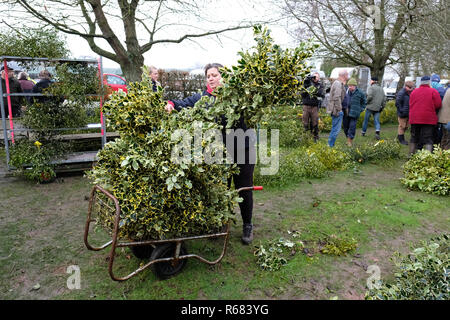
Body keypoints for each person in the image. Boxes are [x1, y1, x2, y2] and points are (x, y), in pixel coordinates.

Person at [165, 63, 256, 245]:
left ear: (224, 77)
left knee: (243, 188)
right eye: (208, 76)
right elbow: (183, 103)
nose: (211, 78)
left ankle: (247, 225)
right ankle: (220, 223)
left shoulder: (238, 96)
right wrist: (170, 104)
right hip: (219, 153)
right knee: (220, 189)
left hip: (242, 149)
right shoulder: (203, 99)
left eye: (215, 75)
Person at [408, 76, 442, 155]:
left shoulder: (414, 92)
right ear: (429, 82)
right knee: (428, 138)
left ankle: (411, 154)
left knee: (414, 136)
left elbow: (410, 103)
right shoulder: (433, 91)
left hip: (415, 118)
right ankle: (427, 157)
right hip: (428, 118)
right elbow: (438, 104)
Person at [327, 69, 348, 147]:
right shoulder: (338, 84)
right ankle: (330, 145)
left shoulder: (339, 83)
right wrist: (340, 109)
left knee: (335, 128)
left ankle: (330, 145)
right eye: (347, 74)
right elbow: (336, 97)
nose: (348, 76)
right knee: (335, 129)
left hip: (337, 110)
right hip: (337, 110)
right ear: (344, 75)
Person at [301, 72, 324, 142]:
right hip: (306, 106)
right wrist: (306, 86)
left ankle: (315, 137)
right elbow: (302, 94)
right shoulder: (307, 83)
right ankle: (305, 137)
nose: (315, 78)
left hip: (314, 107)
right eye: (314, 76)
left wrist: (312, 87)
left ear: (319, 78)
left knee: (314, 122)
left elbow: (320, 93)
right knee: (305, 122)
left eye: (316, 77)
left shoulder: (320, 85)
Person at [343, 78, 366, 147]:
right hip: (346, 113)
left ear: (355, 86)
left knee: (352, 127)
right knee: (345, 127)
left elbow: (364, 102)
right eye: (349, 85)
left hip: (355, 113)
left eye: (351, 86)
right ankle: (348, 139)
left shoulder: (360, 92)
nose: (349, 87)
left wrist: (360, 109)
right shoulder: (346, 92)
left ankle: (350, 141)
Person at [395, 81, 415, 145]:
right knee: (402, 126)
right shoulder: (401, 93)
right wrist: (401, 110)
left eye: (412, 87)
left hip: (408, 113)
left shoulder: (410, 92)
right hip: (402, 113)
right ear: (406, 86)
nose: (411, 89)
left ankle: (399, 137)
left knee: (406, 126)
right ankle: (401, 140)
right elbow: (397, 103)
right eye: (410, 87)